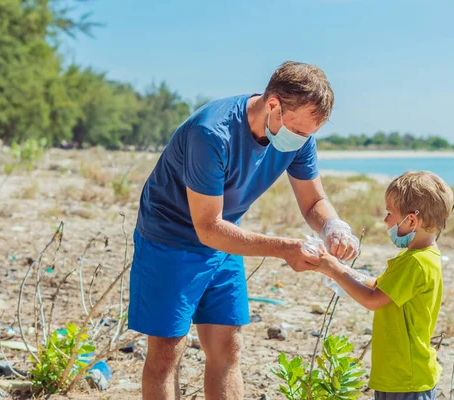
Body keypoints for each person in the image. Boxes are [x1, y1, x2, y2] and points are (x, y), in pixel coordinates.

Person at [128, 61, 360, 400]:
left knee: (228, 344)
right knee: (167, 350)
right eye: (298, 131)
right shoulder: (211, 133)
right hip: (170, 238)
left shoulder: (298, 137)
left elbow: (314, 202)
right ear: (273, 105)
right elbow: (207, 228)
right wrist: (284, 248)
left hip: (225, 236)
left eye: (309, 134)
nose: (302, 141)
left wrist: (333, 226)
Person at [316, 171, 454, 400]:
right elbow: (381, 287)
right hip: (399, 375)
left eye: (390, 214)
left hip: (405, 379)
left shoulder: (415, 263)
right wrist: (348, 274)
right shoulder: (421, 256)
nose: (385, 220)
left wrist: (335, 270)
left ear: (411, 220)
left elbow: (374, 299)